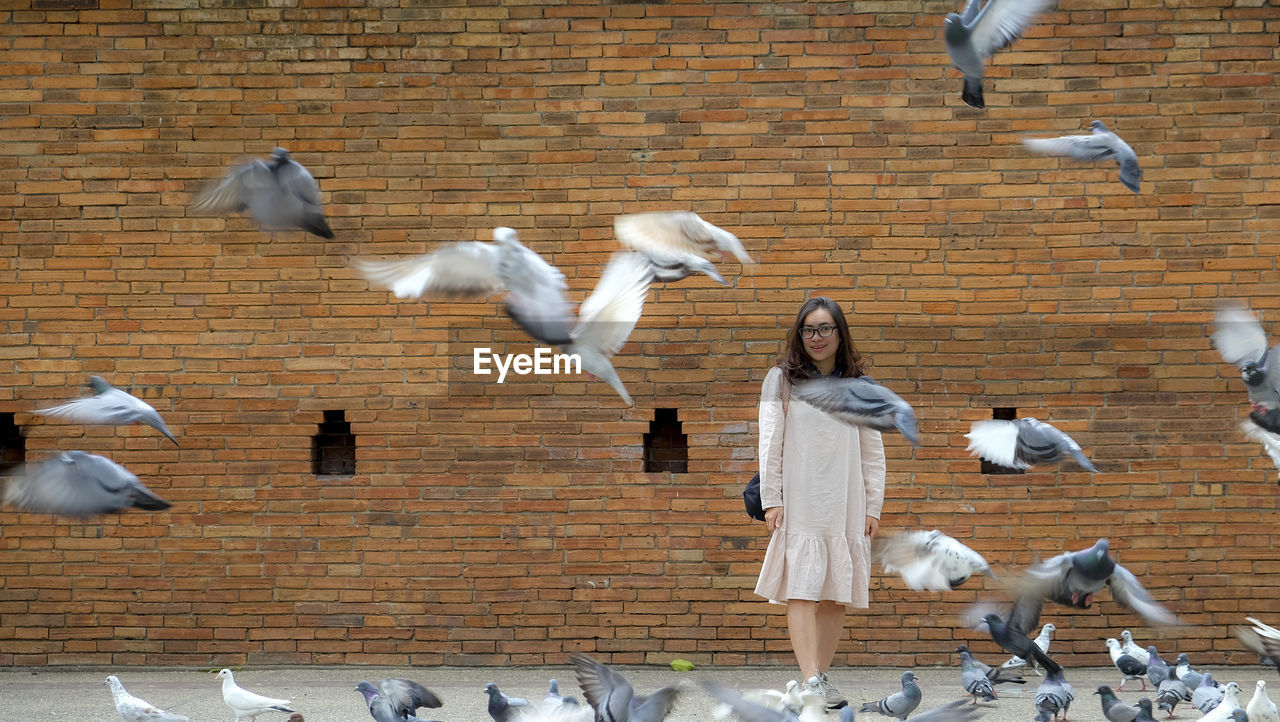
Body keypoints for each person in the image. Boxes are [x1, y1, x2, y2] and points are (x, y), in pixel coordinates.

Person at [754, 296, 887, 708]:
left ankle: (819, 678)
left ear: (840, 333)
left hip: (846, 501)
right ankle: (811, 680)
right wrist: (772, 498)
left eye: (825, 328)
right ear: (800, 334)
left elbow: (873, 451)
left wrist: (872, 507)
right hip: (801, 498)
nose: (817, 337)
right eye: (809, 329)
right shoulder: (782, 380)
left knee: (834, 593)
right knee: (803, 589)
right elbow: (769, 443)